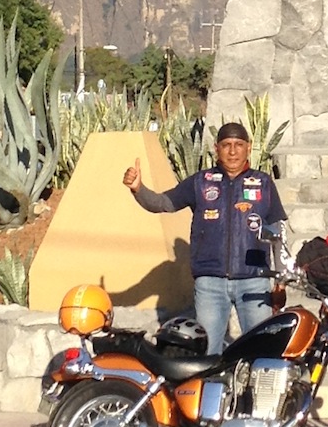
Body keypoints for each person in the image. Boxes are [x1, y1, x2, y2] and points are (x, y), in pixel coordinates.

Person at [123, 123, 286, 356]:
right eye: (226, 145)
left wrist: (280, 278)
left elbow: (277, 230)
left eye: (239, 145)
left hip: (254, 283)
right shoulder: (200, 182)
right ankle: (213, 393)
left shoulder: (263, 183)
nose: (232, 151)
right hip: (210, 284)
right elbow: (162, 203)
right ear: (215, 148)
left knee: (260, 351)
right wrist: (138, 189)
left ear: (248, 148)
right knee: (207, 355)